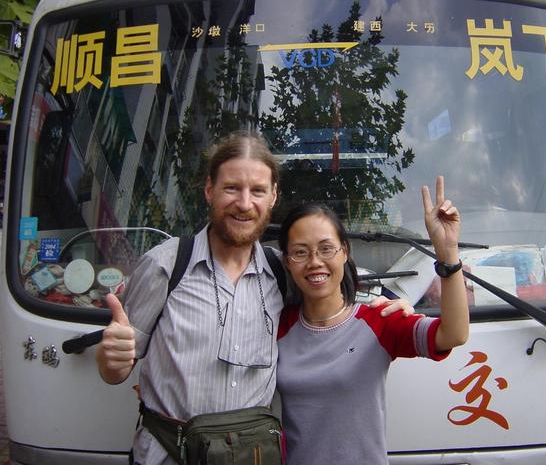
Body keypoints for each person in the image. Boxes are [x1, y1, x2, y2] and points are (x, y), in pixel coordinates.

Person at [95, 131, 411, 465]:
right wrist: (110, 361)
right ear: (209, 190)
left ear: (273, 196)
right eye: (232, 188)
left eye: (257, 190)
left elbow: (327, 288)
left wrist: (390, 304)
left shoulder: (281, 271)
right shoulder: (166, 266)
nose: (245, 204)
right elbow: (116, 369)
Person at [276, 176, 470, 465]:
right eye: (300, 252)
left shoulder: (379, 319)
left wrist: (447, 253)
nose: (314, 261)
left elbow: (453, 334)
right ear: (287, 262)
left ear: (344, 252)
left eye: (326, 249)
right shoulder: (276, 326)